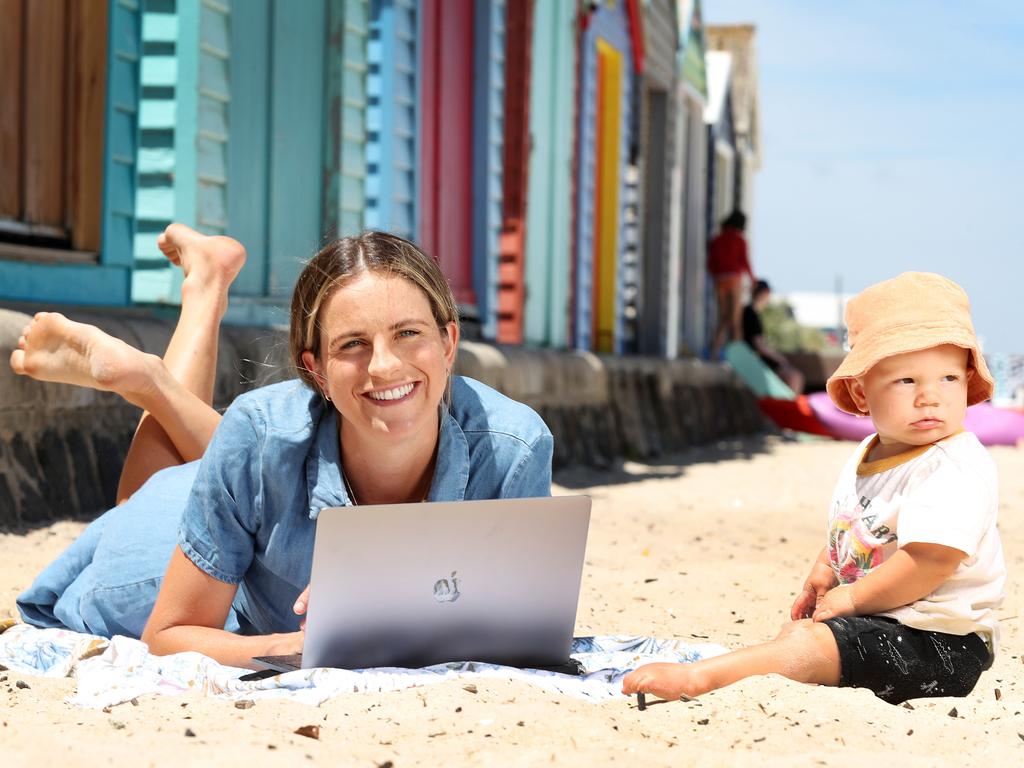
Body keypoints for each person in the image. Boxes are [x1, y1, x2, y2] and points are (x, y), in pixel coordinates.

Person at [12, 224, 553, 669]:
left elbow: (516, 631)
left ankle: (195, 307)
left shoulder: (514, 448)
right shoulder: (260, 431)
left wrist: (392, 601)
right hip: (161, 551)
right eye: (353, 345)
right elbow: (168, 634)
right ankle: (160, 366)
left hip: (254, 479)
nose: (385, 365)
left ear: (449, 342)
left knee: (255, 447)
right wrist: (296, 647)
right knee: (138, 503)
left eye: (409, 333)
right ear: (314, 370)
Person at [623, 272, 1005, 705]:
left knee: (810, 648)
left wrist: (856, 597)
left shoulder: (950, 468)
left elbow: (930, 561)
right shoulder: (870, 451)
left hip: (942, 644)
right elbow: (863, 524)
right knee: (804, 638)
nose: (930, 397)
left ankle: (699, 678)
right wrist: (827, 568)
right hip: (893, 623)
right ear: (861, 394)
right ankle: (778, 657)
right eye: (907, 381)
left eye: (949, 379)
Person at [707, 210, 755, 362]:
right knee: (736, 320)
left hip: (720, 279)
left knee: (723, 317)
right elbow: (744, 262)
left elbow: (711, 263)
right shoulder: (739, 240)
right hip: (734, 278)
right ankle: (739, 358)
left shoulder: (717, 239)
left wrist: (716, 276)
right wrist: (752, 279)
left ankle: (714, 351)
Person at [742, 279, 805, 394]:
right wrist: (779, 358)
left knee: (793, 376)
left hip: (754, 358)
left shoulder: (751, 312)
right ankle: (789, 408)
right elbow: (759, 344)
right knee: (795, 377)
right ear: (764, 294)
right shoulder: (751, 314)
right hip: (756, 359)